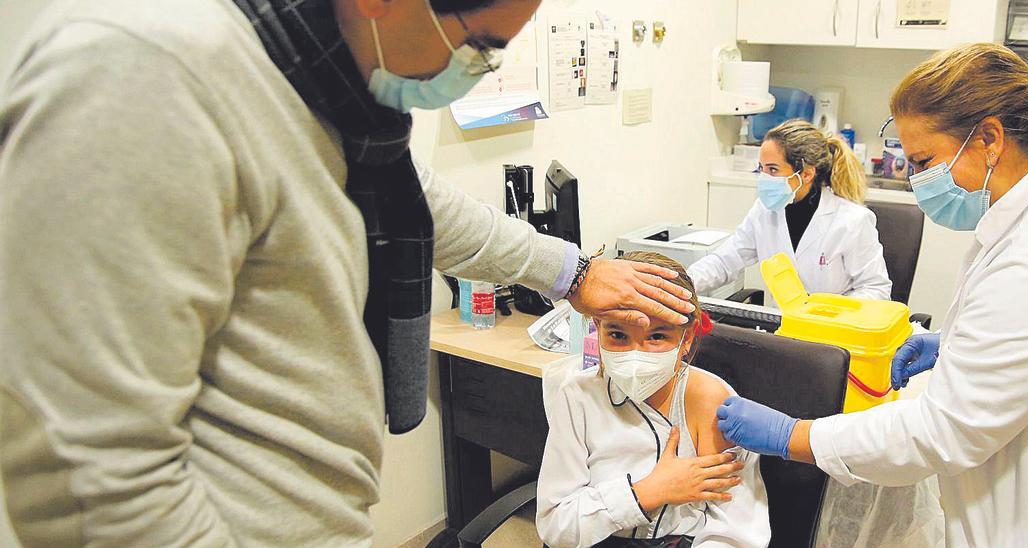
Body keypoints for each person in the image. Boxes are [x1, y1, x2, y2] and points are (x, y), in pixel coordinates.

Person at [0, 0, 694, 545]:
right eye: (481, 46)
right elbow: (90, 468)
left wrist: (571, 272)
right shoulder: (142, 78)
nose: (477, 69)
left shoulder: (315, 76)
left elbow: (421, 200)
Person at [715, 43, 1028, 546]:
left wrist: (794, 436)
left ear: (989, 138)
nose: (917, 180)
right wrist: (958, 341)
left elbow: (943, 430)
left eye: (924, 160)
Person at [537, 252, 770, 548]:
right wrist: (647, 492)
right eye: (618, 335)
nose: (636, 354)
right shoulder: (578, 396)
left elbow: (737, 534)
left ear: (686, 339)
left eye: (657, 336)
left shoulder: (713, 403)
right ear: (597, 327)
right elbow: (556, 526)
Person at [688, 119, 892, 300]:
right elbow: (725, 261)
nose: (764, 178)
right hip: (783, 332)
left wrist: (829, 311)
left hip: (834, 334)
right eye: (762, 168)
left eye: (773, 169)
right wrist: (683, 284)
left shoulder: (852, 221)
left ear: (806, 174)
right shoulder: (765, 211)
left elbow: (876, 290)